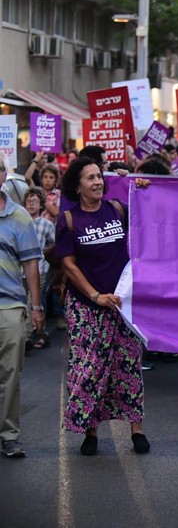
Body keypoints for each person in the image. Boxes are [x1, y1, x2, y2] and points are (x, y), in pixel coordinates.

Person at [55, 157, 149, 455]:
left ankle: (137, 429)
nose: (97, 182)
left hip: (121, 304)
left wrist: (143, 187)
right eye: (90, 178)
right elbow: (68, 265)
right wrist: (95, 295)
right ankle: (91, 433)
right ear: (78, 186)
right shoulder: (69, 219)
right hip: (86, 306)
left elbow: (151, 215)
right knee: (91, 368)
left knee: (128, 365)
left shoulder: (118, 209)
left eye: (99, 176)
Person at [0, 156, 44, 458]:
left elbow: (31, 264)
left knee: (10, 372)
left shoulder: (20, 217)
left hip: (10, 305)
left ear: (3, 175)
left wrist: (37, 305)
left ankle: (8, 434)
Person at [22, 187, 54, 350]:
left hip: (40, 268)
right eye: (28, 201)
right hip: (21, 271)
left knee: (34, 301)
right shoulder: (20, 222)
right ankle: (38, 333)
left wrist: (48, 262)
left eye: (35, 201)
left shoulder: (47, 225)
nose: (31, 204)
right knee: (26, 302)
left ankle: (30, 336)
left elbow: (53, 245)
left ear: (41, 204)